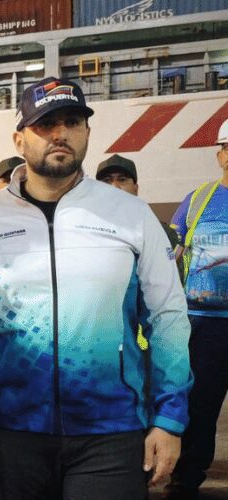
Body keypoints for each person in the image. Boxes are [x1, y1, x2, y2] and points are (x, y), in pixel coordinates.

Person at [0, 77, 191, 498]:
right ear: (19, 139)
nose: (60, 134)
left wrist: (169, 418)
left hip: (112, 431)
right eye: (45, 124)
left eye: (72, 122)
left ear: (86, 134)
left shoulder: (130, 215)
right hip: (10, 429)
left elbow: (168, 317)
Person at [166, 119, 228, 498]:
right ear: (221, 153)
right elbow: (167, 254)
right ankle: (185, 483)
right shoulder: (198, 200)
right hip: (203, 328)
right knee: (199, 413)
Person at [96, 154, 182, 278]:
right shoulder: (84, 232)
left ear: (136, 189)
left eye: (122, 180)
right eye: (106, 181)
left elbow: (173, 284)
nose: (114, 186)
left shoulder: (162, 233)